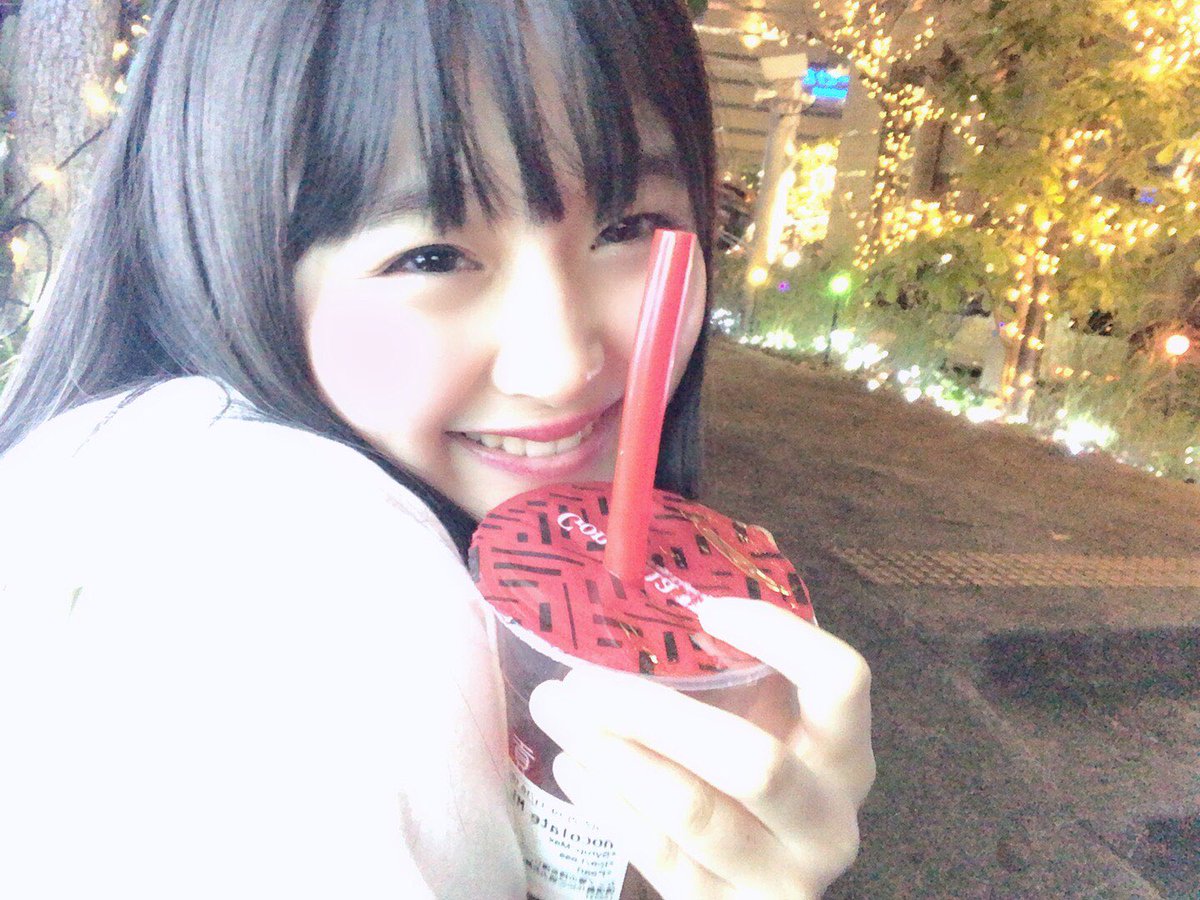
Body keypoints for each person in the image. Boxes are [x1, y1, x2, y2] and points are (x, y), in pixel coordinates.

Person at [0, 1, 874, 897]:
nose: (560, 365)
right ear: (227, 255)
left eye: (628, 227)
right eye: (430, 256)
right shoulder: (294, 585)